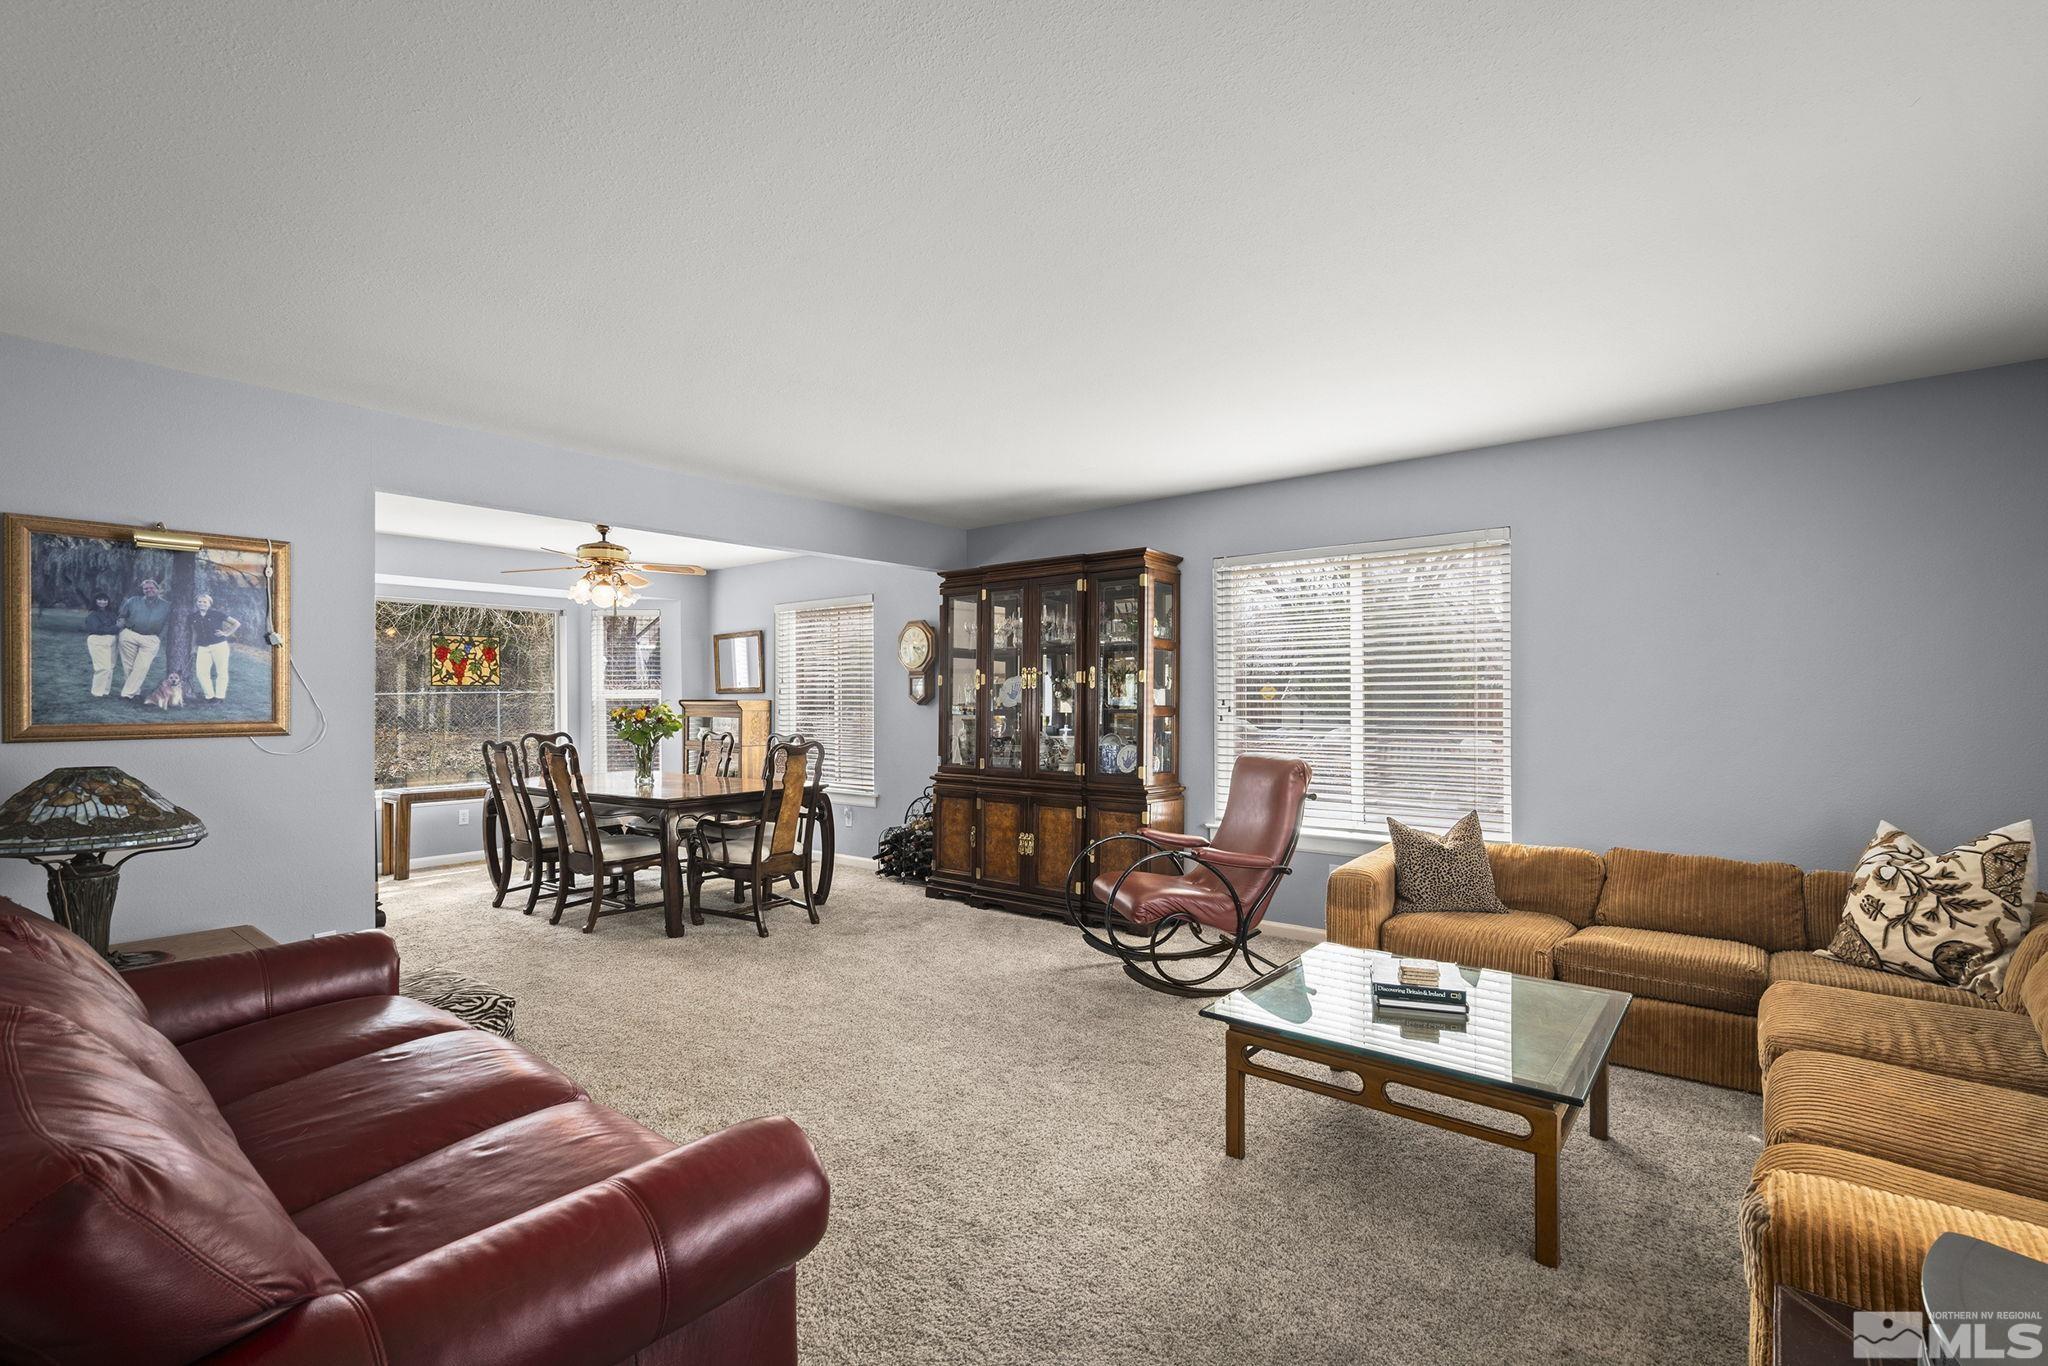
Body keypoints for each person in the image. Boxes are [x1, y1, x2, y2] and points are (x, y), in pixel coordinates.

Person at [115, 578, 171, 700]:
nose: (149, 590)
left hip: (151, 638)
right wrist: (120, 632)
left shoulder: (166, 605)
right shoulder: (133, 601)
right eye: (146, 588)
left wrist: (160, 637)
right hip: (130, 635)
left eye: (152, 588)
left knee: (142, 666)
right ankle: (133, 692)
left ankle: (127, 693)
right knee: (128, 666)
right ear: (143, 590)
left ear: (158, 589)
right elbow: (122, 616)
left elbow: (168, 623)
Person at [189, 592, 241, 702]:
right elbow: (194, 633)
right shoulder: (193, 616)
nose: (202, 603)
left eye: (205, 602)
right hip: (202, 647)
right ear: (196, 603)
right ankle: (210, 696)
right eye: (199, 601)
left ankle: (219, 697)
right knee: (201, 673)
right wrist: (193, 647)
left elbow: (236, 623)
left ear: (209, 603)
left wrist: (226, 633)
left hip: (219, 646)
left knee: (221, 672)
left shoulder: (217, 614)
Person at [82, 592, 119, 697]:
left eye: (105, 600)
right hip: (98, 640)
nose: (102, 602)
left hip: (112, 640)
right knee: (103, 668)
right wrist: (115, 628)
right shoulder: (92, 615)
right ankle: (97, 692)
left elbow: (116, 624)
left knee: (110, 667)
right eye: (99, 599)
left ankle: (105, 691)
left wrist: (115, 628)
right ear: (95, 601)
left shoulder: (111, 613)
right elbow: (97, 629)